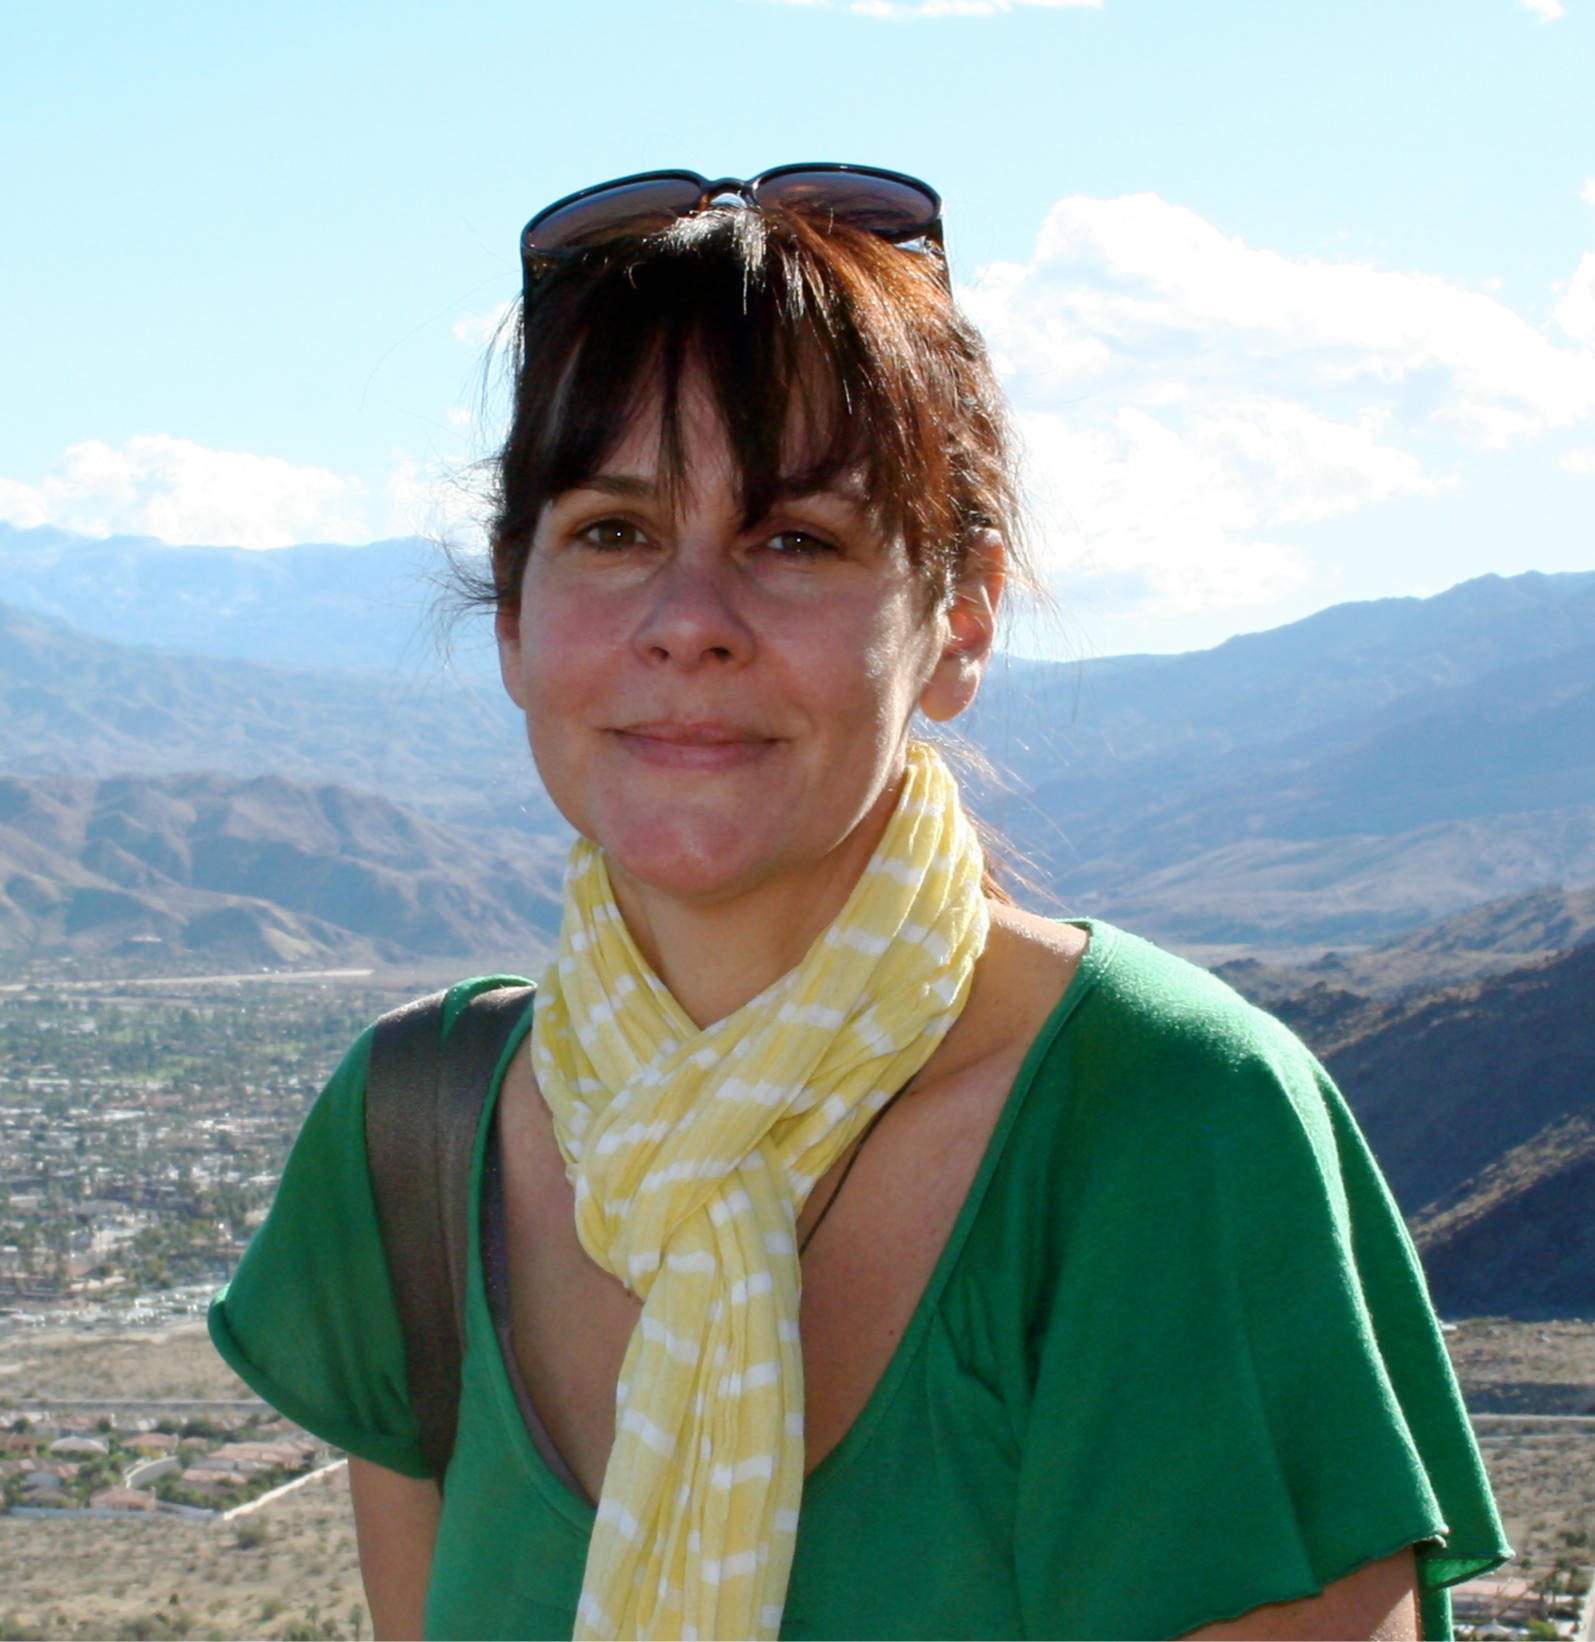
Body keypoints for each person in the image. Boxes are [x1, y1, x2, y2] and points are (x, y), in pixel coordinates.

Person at [208, 165, 1508, 1642]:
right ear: (512, 614)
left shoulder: (1160, 1132)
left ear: (957, 623)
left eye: (795, 539)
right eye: (613, 532)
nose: (688, 621)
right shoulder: (414, 1141)